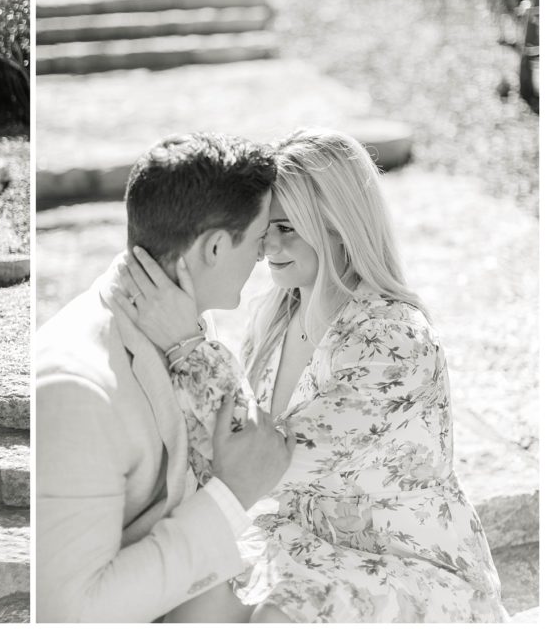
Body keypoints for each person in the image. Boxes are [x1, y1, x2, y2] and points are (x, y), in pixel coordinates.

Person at [117, 129, 507, 622]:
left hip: (408, 567)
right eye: (263, 231)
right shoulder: (274, 316)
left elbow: (265, 461)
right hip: (302, 545)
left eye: (287, 228)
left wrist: (189, 346)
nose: (267, 248)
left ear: (338, 227)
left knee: (269, 614)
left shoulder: (393, 340)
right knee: (173, 591)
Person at [36, 133, 295, 623]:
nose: (264, 257)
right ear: (216, 247)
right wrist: (230, 496)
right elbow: (71, 614)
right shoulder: (75, 392)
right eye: (260, 240)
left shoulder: (182, 315)